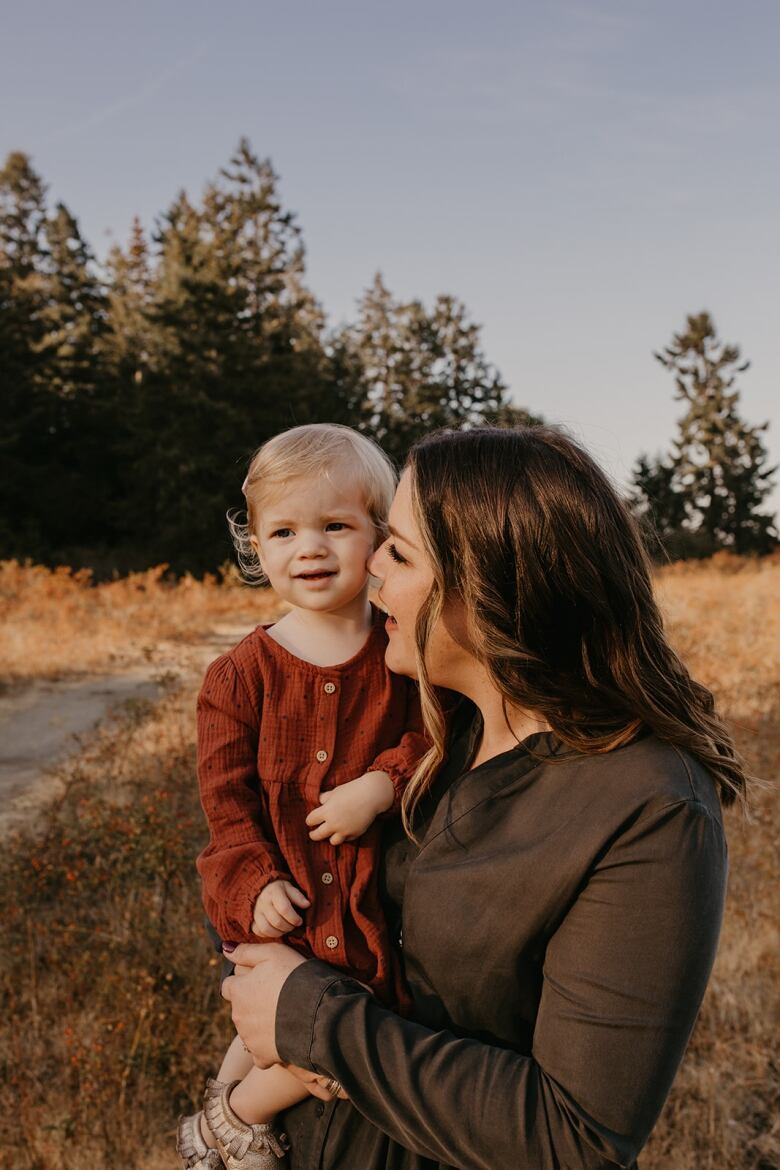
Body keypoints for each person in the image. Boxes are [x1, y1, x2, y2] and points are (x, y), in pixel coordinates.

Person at [219, 424, 742, 1170]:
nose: (367, 569)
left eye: (396, 551)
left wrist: (311, 1018)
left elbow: (579, 1139)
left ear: (488, 588)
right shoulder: (429, 727)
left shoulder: (649, 810)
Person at [177, 424, 429, 1170]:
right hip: (281, 896)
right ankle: (231, 1122)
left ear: (380, 538)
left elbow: (437, 740)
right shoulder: (239, 674)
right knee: (278, 1014)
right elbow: (226, 801)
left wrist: (381, 785)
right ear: (255, 547)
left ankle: (225, 1122)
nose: (309, 549)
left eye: (335, 527)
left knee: (347, 1010)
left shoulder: (402, 652)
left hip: (363, 902)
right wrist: (254, 883)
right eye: (283, 531)